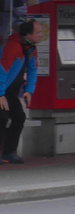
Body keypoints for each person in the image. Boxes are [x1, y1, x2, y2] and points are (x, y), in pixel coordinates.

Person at [0, 19, 45, 164]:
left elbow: (32, 70)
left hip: (10, 92)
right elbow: (2, 70)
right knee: (2, 118)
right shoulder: (13, 47)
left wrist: (29, 91)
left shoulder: (31, 48)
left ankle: (9, 152)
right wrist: (0, 94)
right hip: (2, 90)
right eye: (38, 32)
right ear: (28, 34)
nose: (41, 35)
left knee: (19, 117)